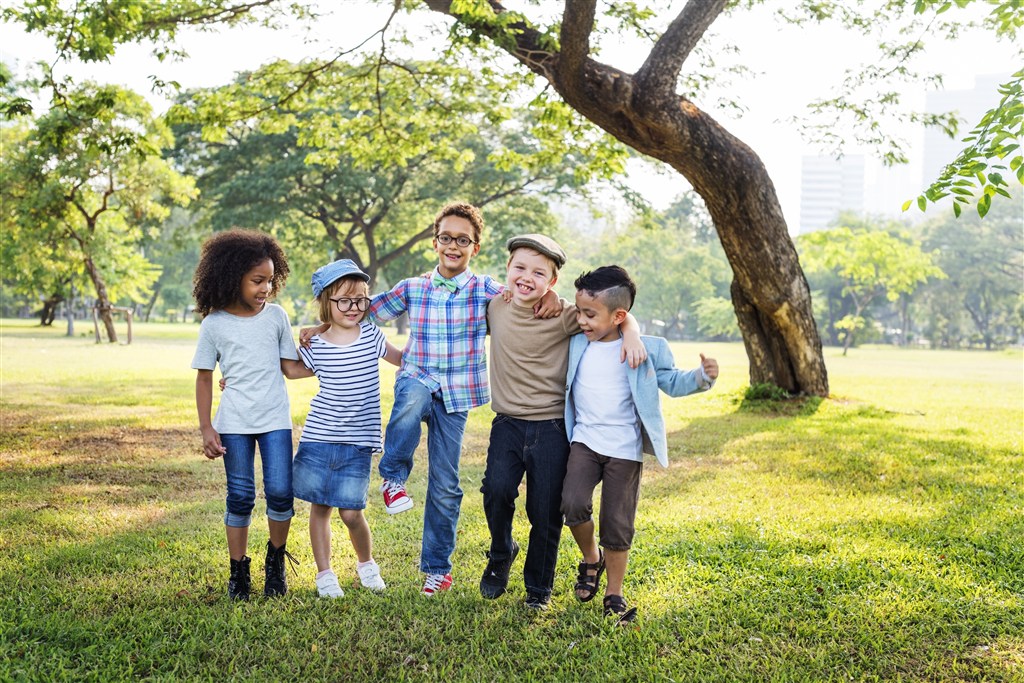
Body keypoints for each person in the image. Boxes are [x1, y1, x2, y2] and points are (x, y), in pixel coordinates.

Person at [301, 202, 557, 596]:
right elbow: (360, 310)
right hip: (417, 377)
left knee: (445, 484)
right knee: (408, 404)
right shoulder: (413, 287)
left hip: (456, 396)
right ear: (434, 242)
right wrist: (320, 325)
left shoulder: (487, 290)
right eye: (445, 238)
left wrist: (551, 298)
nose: (453, 245)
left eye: (462, 240)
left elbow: (524, 294)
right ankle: (393, 478)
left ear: (475, 246)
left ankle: (438, 568)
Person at [479, 235, 647, 610]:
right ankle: (501, 549)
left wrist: (632, 332)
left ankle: (538, 589)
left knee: (546, 510)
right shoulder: (494, 306)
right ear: (506, 270)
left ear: (552, 282)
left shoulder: (567, 313)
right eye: (519, 268)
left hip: (552, 427)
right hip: (506, 421)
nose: (526, 278)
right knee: (497, 491)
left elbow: (614, 313)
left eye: (539, 273)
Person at [561, 265, 719, 623]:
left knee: (617, 524)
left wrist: (701, 377)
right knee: (571, 503)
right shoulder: (574, 342)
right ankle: (590, 558)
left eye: (589, 314)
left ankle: (613, 592)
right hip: (584, 440)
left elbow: (673, 382)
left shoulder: (647, 348)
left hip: (625, 450)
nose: (581, 320)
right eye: (579, 311)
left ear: (619, 315)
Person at [279, 259, 403, 598]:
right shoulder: (315, 345)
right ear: (326, 303)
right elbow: (290, 371)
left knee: (351, 512)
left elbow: (401, 359)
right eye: (344, 300)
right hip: (319, 437)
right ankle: (325, 574)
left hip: (357, 443)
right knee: (319, 507)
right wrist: (241, 373)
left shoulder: (371, 335)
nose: (354, 307)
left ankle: (367, 565)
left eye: (361, 299)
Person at [191, 229, 300, 601]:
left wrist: (329, 346)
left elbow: (292, 367)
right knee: (239, 497)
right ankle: (238, 572)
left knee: (282, 493)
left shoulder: (276, 318)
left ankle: (276, 562)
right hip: (233, 424)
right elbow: (205, 378)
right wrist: (207, 427)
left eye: (270, 280)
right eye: (257, 281)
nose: (265, 288)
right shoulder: (214, 324)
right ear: (231, 276)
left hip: (275, 421)